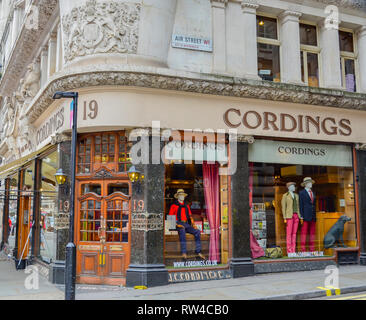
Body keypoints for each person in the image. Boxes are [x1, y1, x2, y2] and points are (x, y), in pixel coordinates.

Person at [168, 189, 206, 260]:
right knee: (182, 230)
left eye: (183, 195)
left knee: (197, 232)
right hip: (177, 223)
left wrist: (194, 224)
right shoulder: (173, 205)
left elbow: (190, 216)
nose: (182, 197)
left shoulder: (186, 205)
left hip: (185, 223)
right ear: (178, 196)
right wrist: (177, 225)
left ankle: (198, 252)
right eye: (181, 195)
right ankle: (184, 253)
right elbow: (170, 218)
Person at [281, 182, 303, 256]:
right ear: (289, 187)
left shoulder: (297, 196)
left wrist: (300, 216)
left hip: (296, 215)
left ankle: (293, 250)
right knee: (289, 234)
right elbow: (283, 207)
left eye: (294, 186)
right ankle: (289, 251)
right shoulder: (285, 196)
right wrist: (284, 217)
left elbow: (298, 207)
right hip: (289, 216)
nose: (294, 187)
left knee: (294, 234)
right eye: (293, 186)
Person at [299, 177, 317, 252]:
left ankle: (312, 249)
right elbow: (301, 205)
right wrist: (301, 216)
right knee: (304, 233)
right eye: (309, 183)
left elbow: (314, 204)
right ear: (306, 184)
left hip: (313, 216)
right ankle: (303, 250)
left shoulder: (313, 192)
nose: (311, 184)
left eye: (311, 183)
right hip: (305, 216)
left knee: (312, 234)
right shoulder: (301, 193)